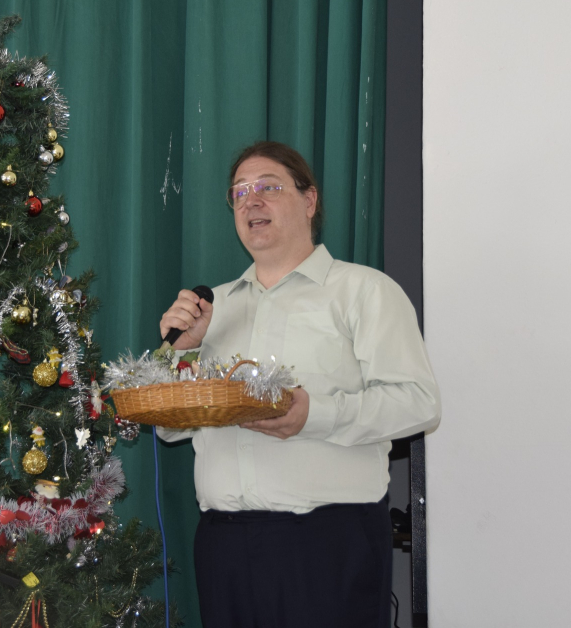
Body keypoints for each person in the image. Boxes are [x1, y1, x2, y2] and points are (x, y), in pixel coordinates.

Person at [157, 141, 441, 628]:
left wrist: (315, 414)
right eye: (239, 192)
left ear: (309, 200)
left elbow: (419, 404)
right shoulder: (211, 308)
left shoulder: (364, 291)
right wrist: (180, 351)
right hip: (224, 546)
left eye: (269, 187)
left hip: (328, 545)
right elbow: (168, 429)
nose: (251, 200)